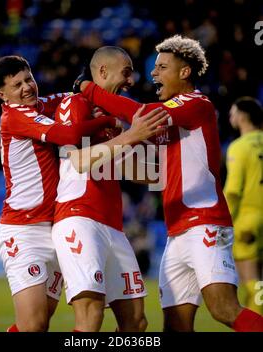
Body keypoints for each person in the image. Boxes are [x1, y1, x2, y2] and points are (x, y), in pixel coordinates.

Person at [74, 35, 263, 332]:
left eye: (162, 67)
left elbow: (142, 114)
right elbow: (153, 172)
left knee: (223, 308)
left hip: (204, 223)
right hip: (177, 231)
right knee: (175, 325)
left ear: (184, 72)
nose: (153, 73)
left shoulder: (196, 104)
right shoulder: (172, 122)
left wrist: (89, 89)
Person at [0, 55, 166, 332]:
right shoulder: (15, 114)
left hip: (54, 226)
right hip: (23, 228)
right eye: (17, 85)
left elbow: (70, 93)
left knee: (132, 322)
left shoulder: (44, 104)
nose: (27, 87)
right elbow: (71, 138)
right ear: (3, 95)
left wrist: (87, 89)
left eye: (29, 79)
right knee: (36, 325)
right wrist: (111, 120)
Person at [52, 46, 164, 332]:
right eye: (126, 73)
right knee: (90, 318)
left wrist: (174, 164)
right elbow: (77, 160)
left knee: (136, 323)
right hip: (80, 218)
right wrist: (131, 136)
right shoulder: (75, 103)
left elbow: (137, 172)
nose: (131, 81)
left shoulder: (114, 123)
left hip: (113, 226)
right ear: (102, 72)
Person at [224, 97, 263, 315]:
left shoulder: (239, 147)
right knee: (260, 284)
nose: (231, 117)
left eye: (232, 112)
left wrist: (222, 219)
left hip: (247, 222)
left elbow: (233, 191)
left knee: (253, 283)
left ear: (241, 117)